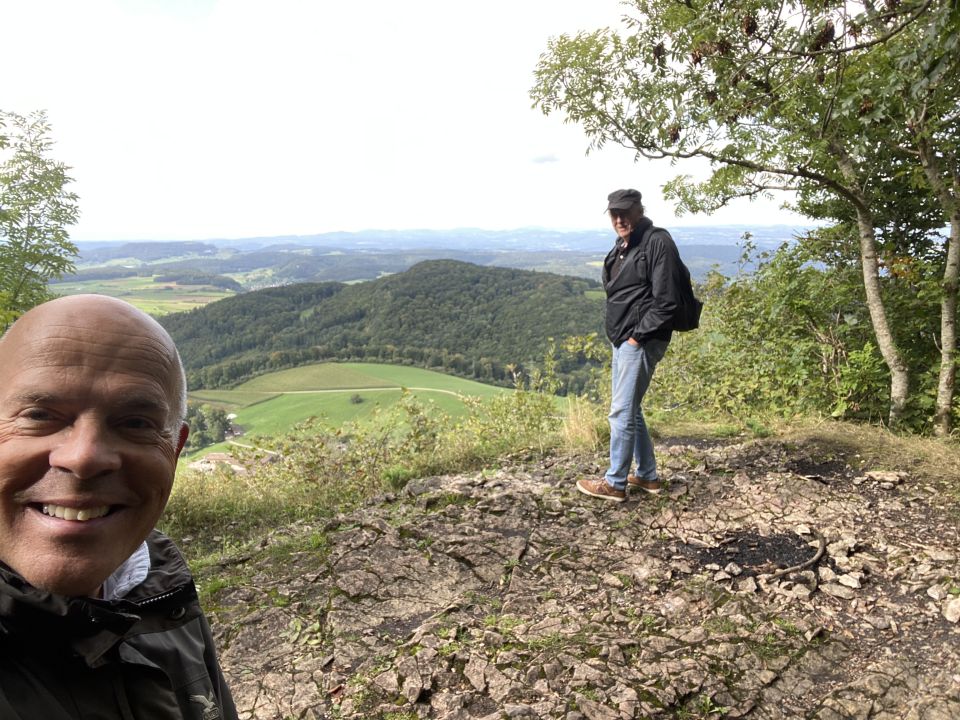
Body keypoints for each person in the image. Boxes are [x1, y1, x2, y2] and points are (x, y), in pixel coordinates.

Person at [0, 295, 237, 720]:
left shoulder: (161, 592)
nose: (84, 457)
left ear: (175, 449)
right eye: (39, 415)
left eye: (136, 423)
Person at [577, 189, 682, 503]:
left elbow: (667, 302)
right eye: (615, 214)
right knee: (631, 410)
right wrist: (624, 337)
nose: (620, 219)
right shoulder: (624, 245)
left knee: (621, 411)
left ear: (640, 210)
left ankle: (615, 483)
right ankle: (647, 476)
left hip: (641, 340)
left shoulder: (657, 243)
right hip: (624, 338)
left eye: (625, 212)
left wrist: (637, 337)